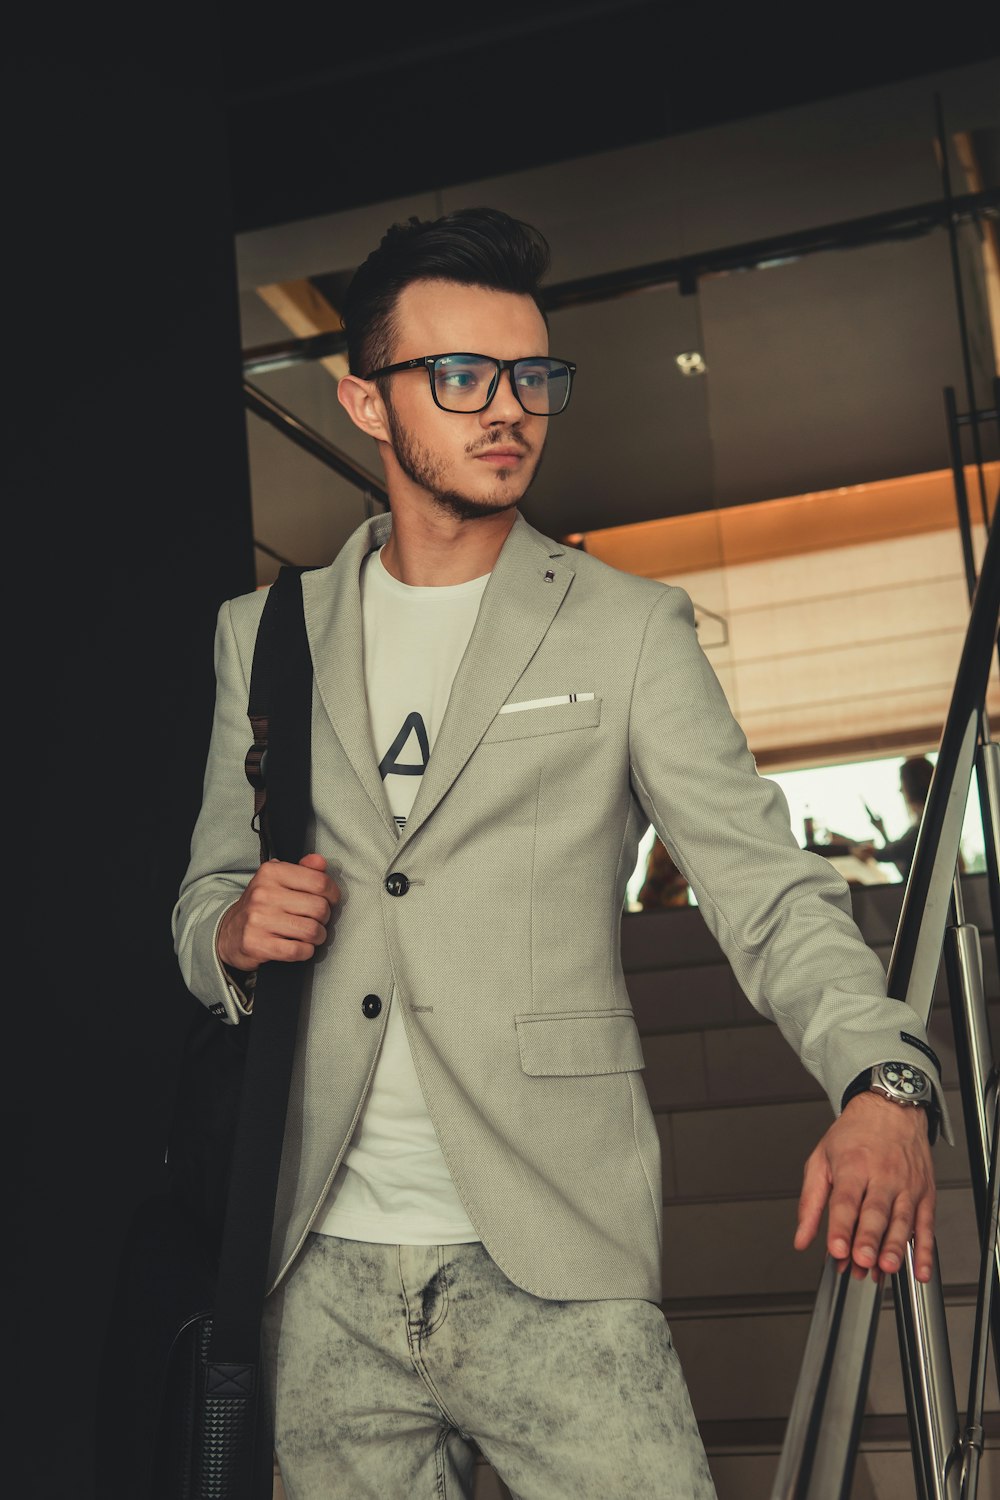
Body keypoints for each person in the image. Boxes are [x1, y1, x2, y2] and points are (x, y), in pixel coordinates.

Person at [174, 208, 948, 1500]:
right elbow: (202, 900)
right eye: (461, 377)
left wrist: (884, 1073)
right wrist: (234, 933)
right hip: (319, 1265)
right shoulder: (265, 635)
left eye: (533, 378)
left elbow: (763, 887)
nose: (509, 410)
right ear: (366, 401)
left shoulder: (627, 630)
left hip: (552, 1248)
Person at [849, 755, 936, 879]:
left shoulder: (923, 828)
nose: (900, 790)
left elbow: (891, 853)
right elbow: (901, 860)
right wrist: (882, 831)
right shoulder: (929, 824)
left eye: (903, 784)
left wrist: (870, 851)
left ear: (912, 787)